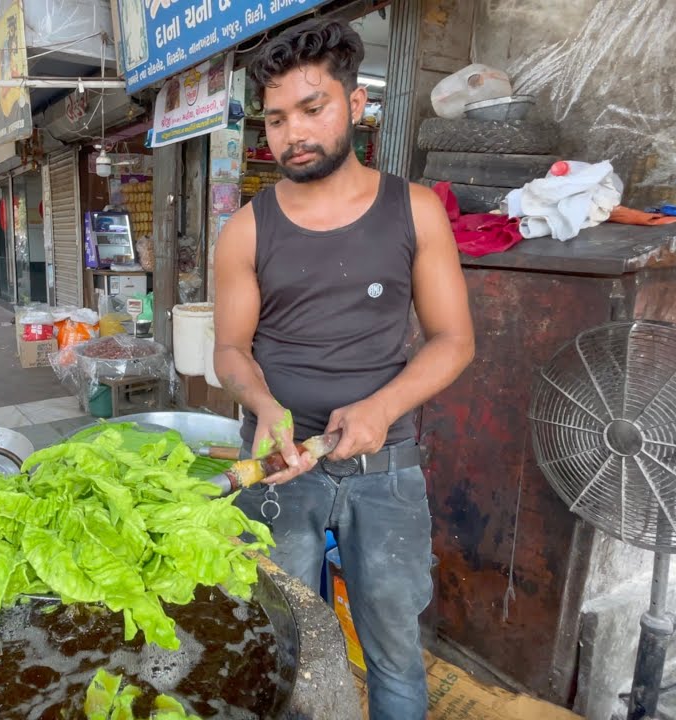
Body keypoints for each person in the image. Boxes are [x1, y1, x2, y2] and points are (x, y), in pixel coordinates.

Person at [212, 19, 474, 720]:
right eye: (275, 119)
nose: (292, 132)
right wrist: (264, 409)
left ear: (356, 106)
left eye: (312, 107)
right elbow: (231, 350)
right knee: (285, 648)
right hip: (276, 467)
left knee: (392, 651)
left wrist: (383, 409)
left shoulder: (414, 211)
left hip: (384, 472)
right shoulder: (245, 228)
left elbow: (453, 340)